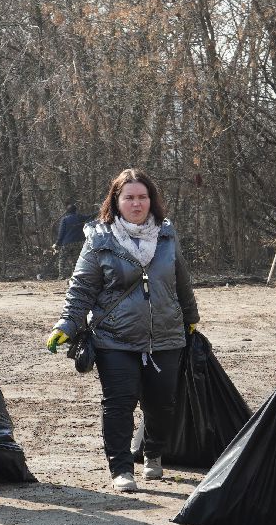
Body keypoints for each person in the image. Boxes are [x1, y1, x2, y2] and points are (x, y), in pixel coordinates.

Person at [45, 169, 200, 492]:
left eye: (142, 196)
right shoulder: (99, 239)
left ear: (151, 200)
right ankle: (121, 468)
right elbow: (82, 288)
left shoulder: (167, 235)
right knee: (118, 402)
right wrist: (67, 324)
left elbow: (181, 280)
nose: (136, 203)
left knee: (161, 403)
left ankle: (153, 453)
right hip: (114, 337)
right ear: (115, 201)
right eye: (129, 197)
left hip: (166, 335)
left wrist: (191, 317)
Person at [52, 201, 87, 279]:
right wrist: (100, 211)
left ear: (67, 211)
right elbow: (89, 217)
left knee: (62, 259)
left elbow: (61, 233)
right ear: (75, 210)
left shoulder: (65, 220)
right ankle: (75, 276)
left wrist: (57, 243)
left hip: (66, 243)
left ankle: (61, 275)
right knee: (75, 260)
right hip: (78, 242)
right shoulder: (80, 217)